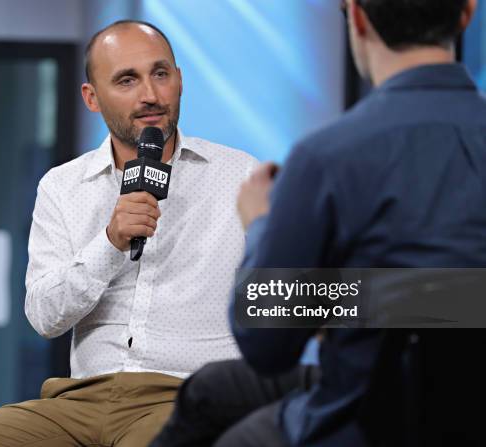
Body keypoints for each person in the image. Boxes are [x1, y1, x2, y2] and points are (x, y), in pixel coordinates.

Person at [151, 0, 486, 446]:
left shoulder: (329, 157)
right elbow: (459, 297)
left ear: (358, 16)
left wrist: (261, 224)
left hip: (366, 413)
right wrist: (364, 300)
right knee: (212, 390)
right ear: (466, 13)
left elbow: (267, 345)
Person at [0, 20, 261, 447]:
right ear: (92, 97)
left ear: (179, 80)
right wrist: (110, 242)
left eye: (160, 74)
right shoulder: (63, 185)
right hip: (76, 401)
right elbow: (45, 317)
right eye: (127, 80)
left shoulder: (241, 175)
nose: (150, 95)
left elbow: (290, 295)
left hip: (185, 393)